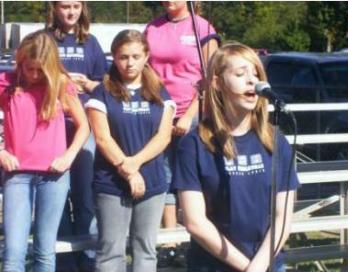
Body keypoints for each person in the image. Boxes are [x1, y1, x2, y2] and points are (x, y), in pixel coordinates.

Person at [172, 43, 300, 272]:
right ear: (217, 82)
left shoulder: (276, 141)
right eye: (241, 74)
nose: (252, 81)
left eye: (256, 73)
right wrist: (247, 268)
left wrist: (259, 267)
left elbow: (283, 217)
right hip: (212, 266)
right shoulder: (193, 145)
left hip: (268, 264)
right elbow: (195, 222)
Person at [85, 29, 175, 272]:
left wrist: (135, 163)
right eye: (123, 56)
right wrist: (128, 171)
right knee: (110, 253)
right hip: (111, 183)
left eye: (136, 56)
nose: (130, 63)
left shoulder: (159, 91)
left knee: (145, 251)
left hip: (152, 182)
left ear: (146, 56)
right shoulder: (101, 92)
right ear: (114, 57)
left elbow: (164, 136)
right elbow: (102, 139)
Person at [0, 30, 89, 272]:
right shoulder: (7, 83)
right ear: (21, 62)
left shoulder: (61, 85)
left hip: (54, 176)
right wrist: (1, 152)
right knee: (13, 252)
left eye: (40, 69)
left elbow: (84, 127)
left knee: (45, 250)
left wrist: (68, 156)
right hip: (17, 174)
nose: (34, 75)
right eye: (29, 68)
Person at [145, 1, 219, 265]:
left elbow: (212, 76)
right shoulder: (152, 28)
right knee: (163, 174)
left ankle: (201, 238)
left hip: (193, 112)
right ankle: (170, 241)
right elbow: (145, 70)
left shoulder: (202, 28)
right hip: (160, 109)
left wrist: (190, 114)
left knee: (193, 176)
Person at [45, 1, 107, 270]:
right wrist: (61, 81)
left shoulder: (90, 42)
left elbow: (106, 87)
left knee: (85, 196)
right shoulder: (43, 40)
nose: (70, 12)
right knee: (56, 195)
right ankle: (64, 261)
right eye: (64, 6)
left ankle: (87, 258)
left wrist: (88, 84)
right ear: (54, 8)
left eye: (75, 6)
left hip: (85, 130)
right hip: (52, 130)